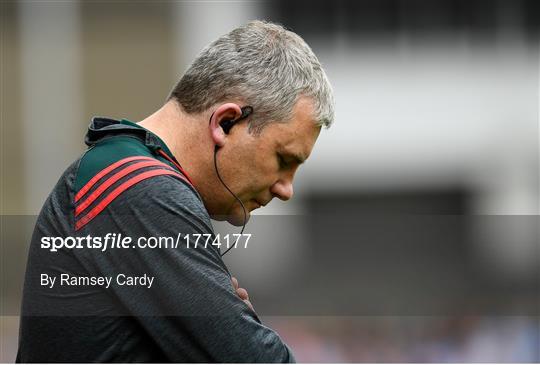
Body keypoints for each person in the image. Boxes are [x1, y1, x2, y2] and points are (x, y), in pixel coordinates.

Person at [16, 20, 334, 362]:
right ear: (225, 122)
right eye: (283, 158)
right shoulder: (140, 188)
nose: (286, 188)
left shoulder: (133, 177)